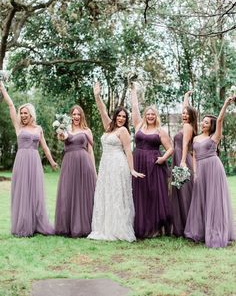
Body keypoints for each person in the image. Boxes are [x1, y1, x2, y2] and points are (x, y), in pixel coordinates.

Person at [88, 82, 145, 242]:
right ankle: (104, 228)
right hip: (106, 165)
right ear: (115, 117)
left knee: (117, 196)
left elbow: (128, 150)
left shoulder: (124, 131)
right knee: (105, 195)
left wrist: (132, 169)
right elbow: (102, 110)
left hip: (119, 164)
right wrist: (97, 96)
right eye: (119, 116)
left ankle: (119, 228)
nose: (121, 119)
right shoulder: (108, 127)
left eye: (123, 117)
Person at [0, 82, 57, 237]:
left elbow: (44, 147)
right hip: (22, 161)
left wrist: (52, 161)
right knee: (22, 191)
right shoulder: (18, 127)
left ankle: (37, 224)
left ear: (31, 114)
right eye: (22, 113)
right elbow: (11, 106)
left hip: (34, 161)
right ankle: (23, 225)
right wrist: (3, 89)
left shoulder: (38, 129)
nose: (23, 115)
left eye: (26, 113)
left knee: (35, 192)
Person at [184, 96, 236, 248]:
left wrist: (226, 104)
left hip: (214, 169)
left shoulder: (215, 137)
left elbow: (219, 120)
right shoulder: (196, 138)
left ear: (211, 125)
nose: (203, 123)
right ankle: (199, 232)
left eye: (206, 122)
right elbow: (193, 156)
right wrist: (195, 172)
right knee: (200, 199)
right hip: (201, 169)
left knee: (214, 200)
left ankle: (215, 233)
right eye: (203, 121)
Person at [130, 82, 173, 238]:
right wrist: (133, 91)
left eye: (152, 114)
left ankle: (155, 228)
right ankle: (140, 226)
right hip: (139, 163)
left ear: (156, 116)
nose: (150, 116)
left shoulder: (160, 131)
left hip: (154, 166)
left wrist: (163, 159)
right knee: (139, 194)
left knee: (153, 194)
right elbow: (135, 108)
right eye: (148, 114)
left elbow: (171, 148)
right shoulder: (139, 126)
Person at [55, 105, 97, 237]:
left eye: (78, 114)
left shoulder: (87, 131)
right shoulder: (65, 129)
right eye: (74, 114)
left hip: (84, 164)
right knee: (68, 192)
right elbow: (61, 138)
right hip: (69, 163)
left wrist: (94, 171)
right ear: (70, 116)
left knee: (83, 194)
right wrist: (61, 132)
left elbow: (90, 151)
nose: (76, 116)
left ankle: (84, 226)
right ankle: (67, 226)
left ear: (82, 116)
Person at [171, 91, 198, 237]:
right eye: (183, 113)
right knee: (180, 192)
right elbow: (185, 108)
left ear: (191, 116)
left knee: (185, 192)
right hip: (178, 159)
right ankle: (182, 225)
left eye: (187, 114)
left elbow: (186, 145)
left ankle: (189, 225)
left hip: (182, 160)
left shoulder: (188, 126)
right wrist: (186, 97)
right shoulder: (186, 124)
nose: (184, 115)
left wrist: (182, 161)